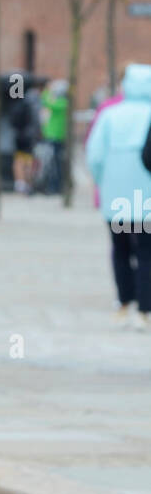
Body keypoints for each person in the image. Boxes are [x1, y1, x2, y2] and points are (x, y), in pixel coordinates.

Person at [85, 62, 151, 331]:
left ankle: (124, 302)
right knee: (147, 251)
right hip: (146, 197)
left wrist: (103, 183)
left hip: (116, 197)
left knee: (120, 249)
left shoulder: (110, 115)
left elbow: (95, 154)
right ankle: (146, 309)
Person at [39, 78, 68, 194]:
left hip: (56, 137)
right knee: (53, 163)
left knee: (54, 164)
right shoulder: (62, 102)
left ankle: (55, 186)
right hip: (53, 136)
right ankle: (54, 186)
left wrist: (47, 90)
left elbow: (46, 101)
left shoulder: (62, 103)